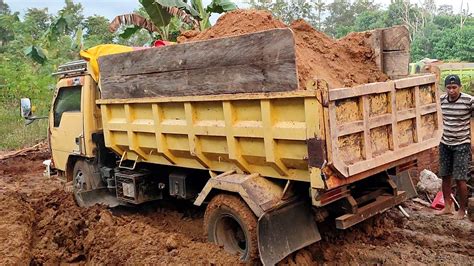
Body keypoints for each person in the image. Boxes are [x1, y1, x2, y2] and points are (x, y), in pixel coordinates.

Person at [437, 74, 473, 219]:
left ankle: (462, 210)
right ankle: (447, 206)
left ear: (460, 87)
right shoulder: (441, 100)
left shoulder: (468, 101)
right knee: (445, 176)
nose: (451, 90)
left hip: (462, 144)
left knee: (460, 179)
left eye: (454, 87)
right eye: (449, 87)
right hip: (445, 143)